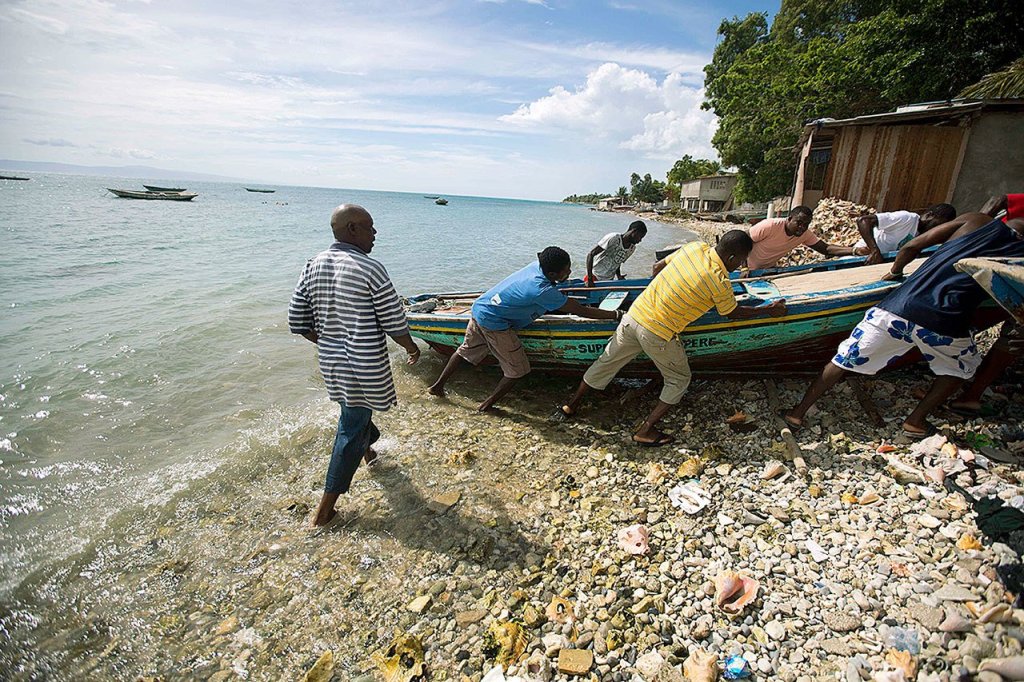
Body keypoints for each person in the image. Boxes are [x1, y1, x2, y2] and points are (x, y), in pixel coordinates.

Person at [784, 213, 1024, 438]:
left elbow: (911, 246)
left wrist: (895, 271)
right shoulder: (1019, 255)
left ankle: (797, 413)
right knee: (961, 368)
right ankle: (915, 421)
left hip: (896, 308)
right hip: (944, 319)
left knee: (844, 358)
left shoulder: (975, 220)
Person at [561, 230, 787, 446]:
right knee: (679, 378)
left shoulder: (695, 247)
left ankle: (571, 405)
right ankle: (646, 430)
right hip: (657, 332)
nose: (740, 265)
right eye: (741, 261)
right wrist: (768, 309)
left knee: (605, 363)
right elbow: (731, 312)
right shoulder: (719, 280)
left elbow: (658, 266)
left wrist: (665, 292)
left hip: (633, 316)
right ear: (731, 257)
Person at [289, 204, 421, 530]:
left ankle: (369, 453)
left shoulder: (313, 264)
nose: (375, 234)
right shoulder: (370, 268)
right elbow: (393, 321)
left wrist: (331, 342)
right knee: (351, 426)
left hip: (332, 362)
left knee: (354, 412)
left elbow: (297, 320)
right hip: (363, 364)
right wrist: (411, 346)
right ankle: (323, 513)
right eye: (370, 227)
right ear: (351, 229)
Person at [428, 247, 622, 412]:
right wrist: (615, 315)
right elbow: (580, 310)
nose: (569, 273)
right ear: (552, 274)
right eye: (566, 271)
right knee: (517, 370)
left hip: (481, 308)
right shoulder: (542, 290)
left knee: (465, 351)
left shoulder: (536, 267)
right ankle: (485, 407)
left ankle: (437, 387)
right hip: (495, 323)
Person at [746, 206, 857, 270]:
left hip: (767, 270)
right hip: (746, 269)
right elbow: (742, 240)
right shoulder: (770, 225)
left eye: (806, 224)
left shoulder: (804, 234)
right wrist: (744, 267)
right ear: (789, 219)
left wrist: (855, 251)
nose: (802, 227)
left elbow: (825, 249)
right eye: (798, 223)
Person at [853, 203, 957, 265]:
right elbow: (863, 221)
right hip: (859, 259)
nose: (937, 229)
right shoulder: (908, 218)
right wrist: (874, 251)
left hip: (877, 264)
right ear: (929, 215)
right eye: (937, 224)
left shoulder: (923, 236)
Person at [585, 220, 647, 285]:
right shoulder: (613, 238)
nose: (640, 240)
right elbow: (591, 254)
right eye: (640, 237)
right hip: (594, 277)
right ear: (634, 231)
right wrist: (590, 279)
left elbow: (617, 262)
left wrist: (619, 276)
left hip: (608, 281)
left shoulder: (631, 248)